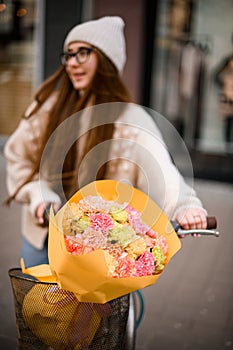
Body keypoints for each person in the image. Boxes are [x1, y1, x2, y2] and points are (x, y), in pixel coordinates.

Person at [4, 16, 207, 268]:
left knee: (98, 309)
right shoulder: (47, 108)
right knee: (37, 306)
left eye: (83, 53)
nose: (72, 63)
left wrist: (186, 207)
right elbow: (17, 157)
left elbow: (162, 173)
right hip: (43, 238)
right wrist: (38, 193)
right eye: (68, 55)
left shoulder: (131, 120)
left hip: (102, 253)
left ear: (107, 61)